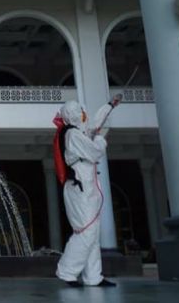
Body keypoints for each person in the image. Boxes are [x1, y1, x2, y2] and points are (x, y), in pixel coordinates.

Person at [55, 99, 119, 287]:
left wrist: (109, 105)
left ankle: (93, 276)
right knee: (85, 232)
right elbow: (95, 152)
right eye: (80, 111)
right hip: (79, 189)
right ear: (74, 114)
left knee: (92, 233)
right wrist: (100, 139)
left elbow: (94, 124)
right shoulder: (72, 135)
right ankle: (67, 271)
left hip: (86, 188)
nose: (84, 114)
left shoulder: (78, 132)